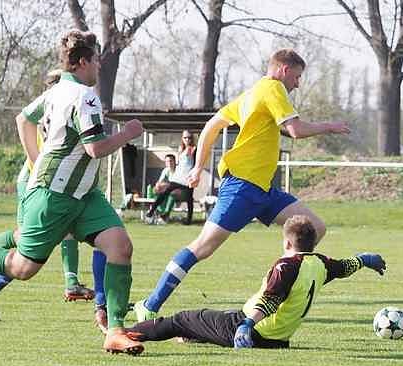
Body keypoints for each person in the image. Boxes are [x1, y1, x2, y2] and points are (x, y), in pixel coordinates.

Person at [0, 29, 145, 355]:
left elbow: (23, 119)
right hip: (54, 195)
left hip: (83, 194)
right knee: (22, 268)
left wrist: (35, 160)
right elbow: (96, 149)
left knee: (119, 246)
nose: (99, 64)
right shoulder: (85, 96)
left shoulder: (58, 91)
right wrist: (127, 133)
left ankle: (114, 330)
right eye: (96, 58)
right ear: (83, 61)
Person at [135, 49, 351, 322]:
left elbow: (211, 127)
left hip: (263, 189)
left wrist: (200, 167)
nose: (297, 84)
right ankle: (150, 305)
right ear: (283, 70)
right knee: (202, 247)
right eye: (297, 77)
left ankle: (273, 294)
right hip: (242, 186)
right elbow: (295, 130)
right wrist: (329, 127)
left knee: (315, 228)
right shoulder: (273, 88)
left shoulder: (251, 93)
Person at [126, 215, 386, 350]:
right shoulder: (320, 263)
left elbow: (270, 299)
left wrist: (247, 325)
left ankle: (127, 334)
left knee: (181, 319)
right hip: (278, 339)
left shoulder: (286, 266)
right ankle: (195, 335)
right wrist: (365, 259)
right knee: (208, 321)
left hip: (251, 331)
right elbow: (344, 268)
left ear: (286, 242)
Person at [0, 69, 104, 322]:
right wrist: (34, 164)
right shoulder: (56, 110)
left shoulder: (61, 108)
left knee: (58, 237)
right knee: (28, 247)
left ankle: (81, 289)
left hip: (53, 186)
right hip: (39, 185)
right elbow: (26, 125)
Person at [147, 130, 196, 224]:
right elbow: (181, 163)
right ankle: (151, 211)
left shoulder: (194, 149)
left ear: (192, 139)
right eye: (185, 137)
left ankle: (189, 220)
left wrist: (194, 174)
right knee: (165, 192)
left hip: (189, 177)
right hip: (179, 177)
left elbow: (196, 163)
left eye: (189, 137)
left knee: (189, 199)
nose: (187, 139)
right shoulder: (181, 148)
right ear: (182, 138)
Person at [151, 153, 177, 223]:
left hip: (178, 189)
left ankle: (165, 214)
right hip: (169, 189)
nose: (169, 163)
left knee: (171, 192)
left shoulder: (178, 170)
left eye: (171, 161)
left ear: (175, 161)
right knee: (155, 190)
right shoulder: (166, 170)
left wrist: (164, 185)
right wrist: (158, 185)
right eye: (167, 161)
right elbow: (160, 181)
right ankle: (160, 211)